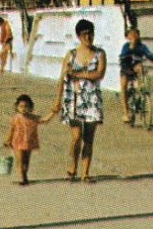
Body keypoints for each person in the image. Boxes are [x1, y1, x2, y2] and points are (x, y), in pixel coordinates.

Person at [43, 18, 107, 181]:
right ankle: (73, 165)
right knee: (76, 136)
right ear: (78, 36)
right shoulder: (71, 55)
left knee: (89, 139)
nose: (88, 37)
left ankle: (85, 173)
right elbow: (62, 78)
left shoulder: (100, 54)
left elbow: (99, 74)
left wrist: (78, 74)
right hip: (73, 98)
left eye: (90, 33)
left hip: (91, 99)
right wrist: (57, 100)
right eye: (84, 34)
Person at [119, 25, 153, 124]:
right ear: (127, 36)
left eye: (135, 33)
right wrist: (131, 46)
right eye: (130, 34)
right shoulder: (126, 46)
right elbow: (124, 54)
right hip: (126, 68)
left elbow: (148, 53)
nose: (133, 35)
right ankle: (126, 113)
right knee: (123, 88)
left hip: (135, 67)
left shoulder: (142, 46)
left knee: (140, 67)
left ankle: (141, 86)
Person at [3, 95, 42, 186]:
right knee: (20, 161)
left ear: (30, 107)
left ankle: (24, 174)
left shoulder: (33, 117)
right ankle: (23, 178)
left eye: (26, 106)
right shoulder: (15, 118)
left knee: (26, 161)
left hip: (29, 142)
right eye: (21, 106)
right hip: (17, 142)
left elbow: (44, 120)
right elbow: (11, 130)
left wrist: (53, 112)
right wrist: (7, 140)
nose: (23, 108)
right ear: (17, 107)